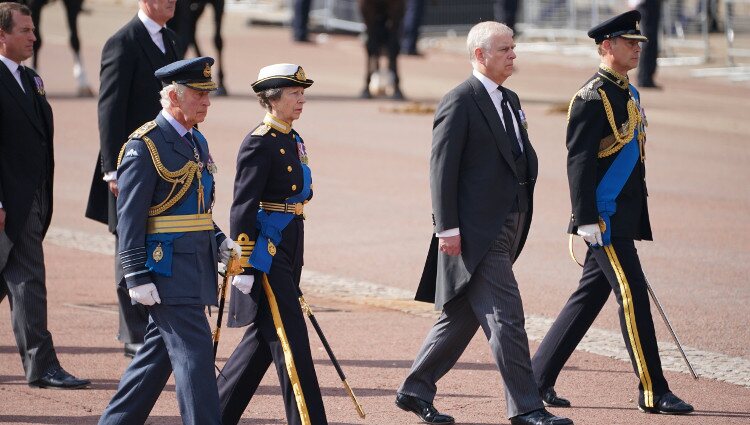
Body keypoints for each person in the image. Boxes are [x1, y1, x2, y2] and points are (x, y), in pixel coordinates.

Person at [396, 21, 572, 425]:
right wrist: (448, 228)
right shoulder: (460, 100)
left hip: (509, 224)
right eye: (505, 49)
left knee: (460, 317)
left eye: (514, 48)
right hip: (476, 232)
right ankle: (527, 407)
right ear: (480, 55)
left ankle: (415, 388)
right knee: (507, 318)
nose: (514, 55)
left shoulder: (509, 98)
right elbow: (441, 169)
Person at [530, 10, 694, 416]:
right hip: (603, 218)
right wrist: (585, 218)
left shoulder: (627, 93)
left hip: (621, 213)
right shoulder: (591, 98)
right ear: (606, 47)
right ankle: (653, 389)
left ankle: (533, 380)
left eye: (638, 44)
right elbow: (579, 163)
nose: (636, 50)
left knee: (588, 298)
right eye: (628, 43)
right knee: (632, 295)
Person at [97, 56, 239, 425]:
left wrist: (219, 238)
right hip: (166, 269)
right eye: (198, 94)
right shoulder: (144, 146)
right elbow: (130, 216)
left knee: (155, 361)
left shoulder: (195, 139)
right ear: (174, 97)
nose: (207, 101)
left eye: (208, 94)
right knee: (195, 357)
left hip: (195, 264)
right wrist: (136, 275)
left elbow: (194, 206)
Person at [217, 63, 328, 425]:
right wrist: (245, 264)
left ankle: (212, 414)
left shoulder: (291, 138)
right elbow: (243, 207)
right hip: (267, 249)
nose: (301, 100)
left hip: (290, 238)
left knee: (263, 338)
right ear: (272, 98)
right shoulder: (259, 141)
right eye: (294, 94)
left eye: (302, 93)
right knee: (290, 335)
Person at [84, 0, 183, 359]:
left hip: (167, 161)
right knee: (128, 240)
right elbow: (110, 107)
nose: (172, 1)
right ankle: (132, 331)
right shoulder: (123, 41)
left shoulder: (170, 39)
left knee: (156, 235)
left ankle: (155, 325)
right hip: (132, 161)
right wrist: (112, 168)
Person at [0, 2, 89, 390]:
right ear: (1, 35)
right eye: (25, 31)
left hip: (32, 195)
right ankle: (42, 364)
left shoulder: (30, 77)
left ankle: (40, 362)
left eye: (34, 30)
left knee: (18, 278)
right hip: (9, 200)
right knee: (28, 279)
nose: (34, 37)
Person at [633, 0, 662, 88]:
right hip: (645, 4)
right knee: (648, 40)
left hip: (650, 4)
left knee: (652, 41)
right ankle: (644, 78)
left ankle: (647, 77)